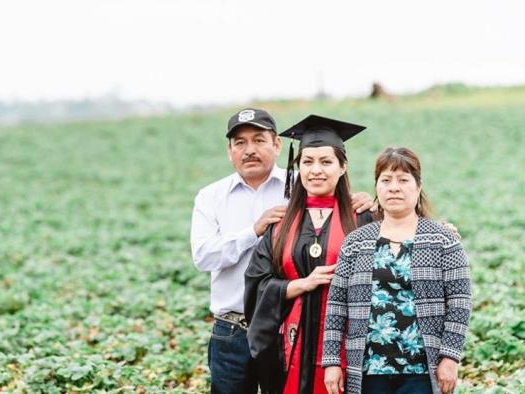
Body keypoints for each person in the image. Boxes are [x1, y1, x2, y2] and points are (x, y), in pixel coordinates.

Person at [191, 109, 374, 394]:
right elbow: (203, 256)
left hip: (309, 334)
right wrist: (253, 231)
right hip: (237, 329)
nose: (249, 149)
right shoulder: (211, 197)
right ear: (229, 150)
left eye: (259, 140)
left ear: (277, 145)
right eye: (240, 142)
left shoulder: (299, 190)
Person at [322, 147, 471, 394]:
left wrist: (450, 357)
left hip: (423, 370)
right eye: (386, 180)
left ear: (418, 187)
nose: (394, 187)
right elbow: (337, 305)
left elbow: (460, 302)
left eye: (403, 180)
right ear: (377, 188)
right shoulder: (356, 241)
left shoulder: (443, 239)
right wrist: (332, 362)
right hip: (369, 368)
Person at [244, 114, 374, 394]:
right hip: (290, 350)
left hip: (348, 349)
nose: (316, 170)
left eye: (326, 162)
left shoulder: (363, 218)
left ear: (343, 167)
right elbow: (257, 283)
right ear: (298, 166)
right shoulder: (280, 224)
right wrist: (299, 285)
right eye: (307, 161)